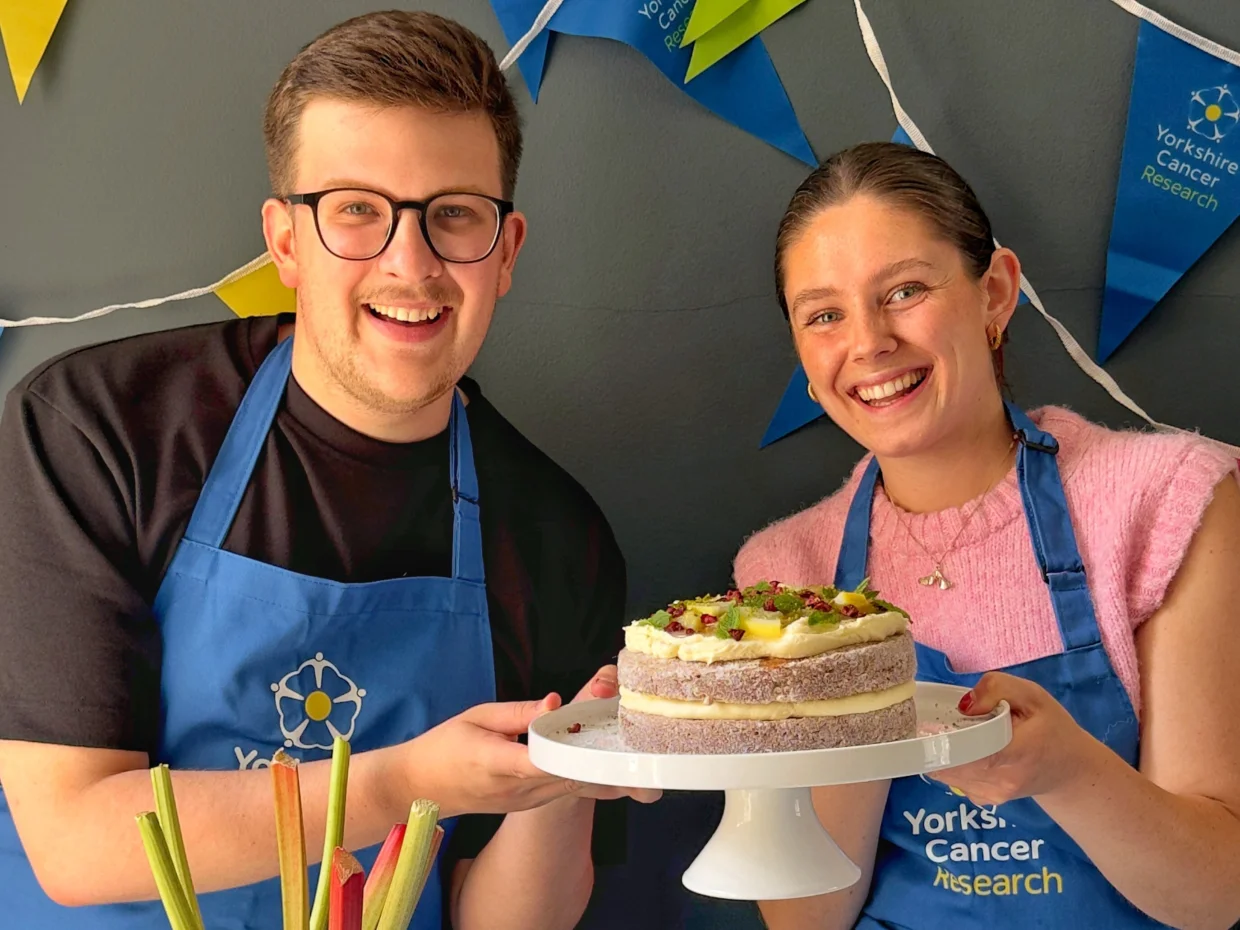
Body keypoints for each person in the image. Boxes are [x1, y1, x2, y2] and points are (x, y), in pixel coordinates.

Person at [0, 11, 657, 930]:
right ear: (284, 242)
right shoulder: (101, 427)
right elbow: (73, 838)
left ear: (504, 253)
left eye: (454, 216)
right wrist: (406, 784)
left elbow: (503, 920)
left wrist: (569, 774)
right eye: (357, 210)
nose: (410, 263)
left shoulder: (555, 532)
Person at [734, 142, 1240, 930]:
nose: (867, 343)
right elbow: (806, 919)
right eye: (825, 314)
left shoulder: (1165, 498)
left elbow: (1217, 894)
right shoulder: (783, 576)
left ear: (995, 292)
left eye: (903, 290)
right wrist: (851, 707)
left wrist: (1066, 770)